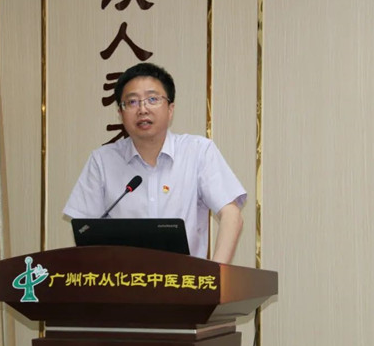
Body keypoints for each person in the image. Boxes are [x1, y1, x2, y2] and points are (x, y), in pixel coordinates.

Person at [63, 63, 246, 264]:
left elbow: (231, 215)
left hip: (184, 281)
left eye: (152, 99)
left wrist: (216, 275)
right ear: (120, 113)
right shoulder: (102, 161)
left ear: (170, 109)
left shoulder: (198, 152)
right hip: (123, 281)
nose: (143, 109)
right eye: (132, 102)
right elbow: (84, 229)